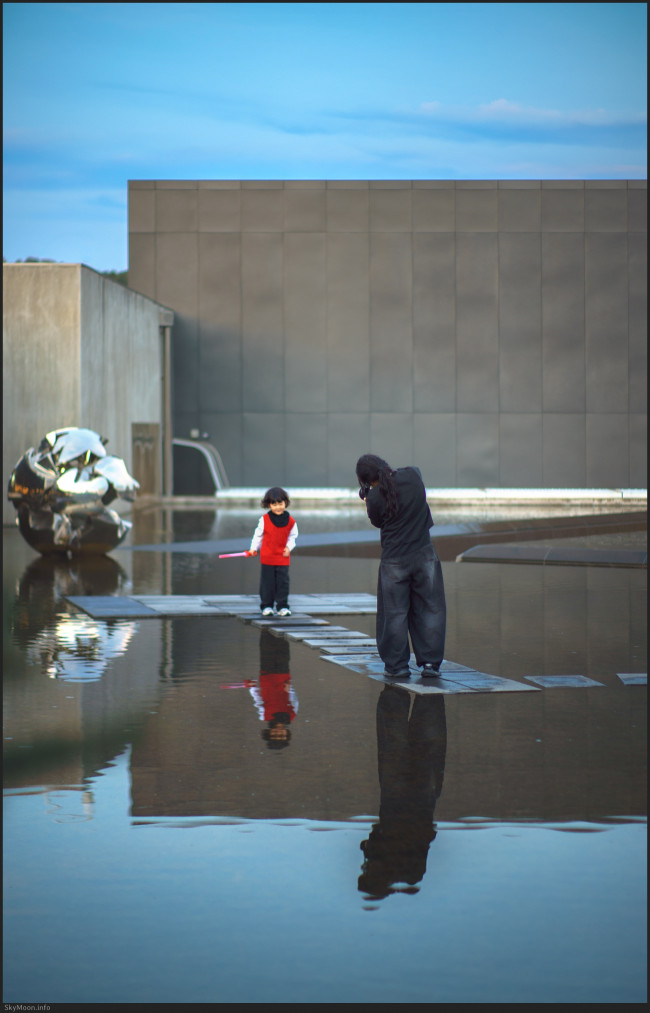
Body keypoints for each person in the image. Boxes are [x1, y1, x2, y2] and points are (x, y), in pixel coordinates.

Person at [356, 453, 446, 678]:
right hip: (424, 554)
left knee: (394, 614)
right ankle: (430, 665)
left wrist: (369, 496)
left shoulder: (375, 498)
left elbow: (378, 521)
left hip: (394, 560)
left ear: (366, 480)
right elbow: (411, 470)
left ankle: (397, 666)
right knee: (431, 608)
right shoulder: (412, 476)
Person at [247, 487, 298, 616]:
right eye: (274, 504)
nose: (278, 507)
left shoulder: (291, 521)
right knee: (267, 582)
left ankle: (282, 606)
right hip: (267, 557)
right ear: (268, 505)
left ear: (285, 503)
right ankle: (267, 606)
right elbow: (257, 536)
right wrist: (253, 548)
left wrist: (289, 547)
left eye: (280, 504)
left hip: (282, 557)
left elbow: (293, 537)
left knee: (283, 582)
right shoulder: (264, 520)